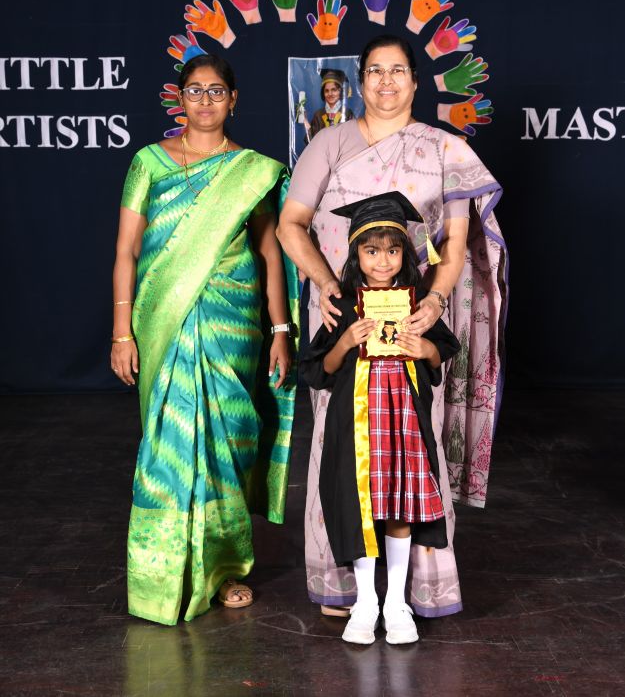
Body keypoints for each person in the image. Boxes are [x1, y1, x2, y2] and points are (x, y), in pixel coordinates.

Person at [277, 33, 507, 620]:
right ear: (360, 82)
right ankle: (343, 581)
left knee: (414, 438)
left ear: (415, 80)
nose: (386, 81)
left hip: (413, 315)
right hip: (343, 315)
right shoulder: (328, 143)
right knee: (339, 442)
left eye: (397, 70)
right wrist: (328, 286)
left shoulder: (446, 149)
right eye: (375, 70)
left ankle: (420, 584)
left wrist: (434, 304)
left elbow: (454, 244)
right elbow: (290, 225)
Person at [111, 51, 298, 626]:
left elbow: (270, 253)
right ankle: (162, 570)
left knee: (230, 442)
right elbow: (127, 251)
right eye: (195, 90)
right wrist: (121, 330)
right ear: (179, 98)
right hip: (164, 321)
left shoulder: (253, 170)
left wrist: (281, 329)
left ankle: (226, 569)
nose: (206, 101)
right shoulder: (149, 162)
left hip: (233, 324)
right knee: (168, 446)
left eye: (217, 91)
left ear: (233, 100)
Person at [300, 192, 460, 644]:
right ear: (356, 254)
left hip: (404, 419)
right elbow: (320, 370)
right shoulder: (343, 305)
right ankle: (367, 601)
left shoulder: (417, 303)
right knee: (362, 506)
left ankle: (396, 603)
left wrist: (424, 348)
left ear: (406, 254)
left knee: (400, 504)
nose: (383, 261)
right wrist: (345, 342)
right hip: (357, 424)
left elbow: (441, 353)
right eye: (372, 251)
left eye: (393, 250)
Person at [304, 69, 355, 141]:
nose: (330, 94)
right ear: (323, 93)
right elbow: (311, 140)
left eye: (334, 90)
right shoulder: (318, 115)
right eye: (326, 91)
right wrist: (305, 121)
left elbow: (353, 139)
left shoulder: (348, 114)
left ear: (340, 91)